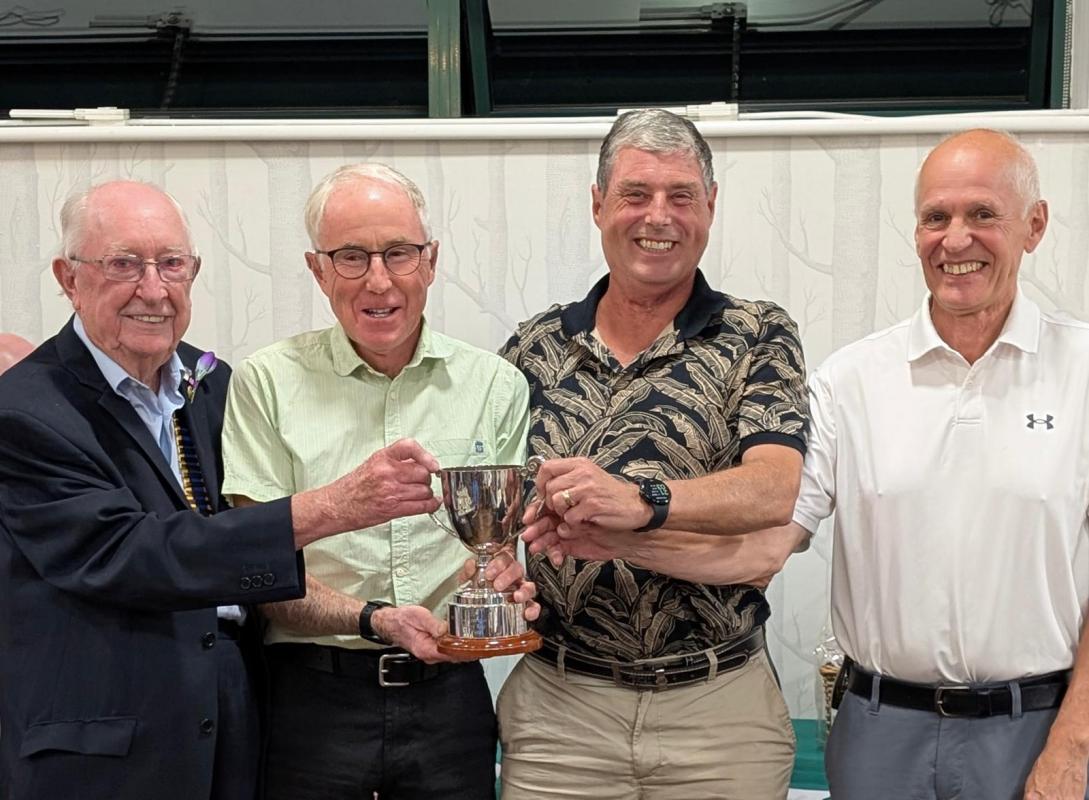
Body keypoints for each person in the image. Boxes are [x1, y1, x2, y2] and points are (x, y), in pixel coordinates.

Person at [0, 180, 446, 800]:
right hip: (100, 750)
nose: (153, 290)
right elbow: (131, 554)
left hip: (233, 732)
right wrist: (332, 508)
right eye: (124, 265)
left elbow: (233, 560)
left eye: (172, 265)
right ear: (69, 278)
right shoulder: (23, 410)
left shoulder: (212, 385)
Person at [498, 108, 810, 799]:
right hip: (559, 714)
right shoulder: (531, 348)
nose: (657, 216)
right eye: (635, 194)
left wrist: (640, 506)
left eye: (680, 195)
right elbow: (494, 510)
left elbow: (772, 490)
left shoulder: (757, 334)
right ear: (597, 204)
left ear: (710, 206)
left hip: (718, 710)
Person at [789, 129, 1089, 800]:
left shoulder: (1083, 371)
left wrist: (1074, 743)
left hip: (1035, 729)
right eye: (936, 217)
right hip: (877, 734)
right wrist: (633, 516)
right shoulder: (851, 378)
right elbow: (768, 535)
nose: (955, 240)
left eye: (982, 214)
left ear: (1032, 226)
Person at [220, 163, 535, 800]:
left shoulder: (495, 385)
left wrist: (506, 580)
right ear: (317, 269)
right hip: (309, 703)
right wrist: (376, 617)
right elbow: (253, 566)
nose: (379, 279)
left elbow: (498, 548)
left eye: (398, 253)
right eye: (351, 256)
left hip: (450, 701)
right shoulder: (265, 382)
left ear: (431, 260)